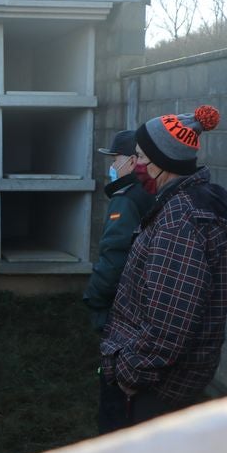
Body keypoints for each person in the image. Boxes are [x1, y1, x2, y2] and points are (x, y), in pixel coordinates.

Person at [97, 105, 227, 434]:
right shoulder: (182, 205)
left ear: (163, 162)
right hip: (161, 387)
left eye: (139, 156)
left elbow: (169, 326)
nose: (135, 166)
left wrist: (128, 375)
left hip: (150, 393)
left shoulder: (179, 223)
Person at [83, 129, 154, 332]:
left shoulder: (126, 198)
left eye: (115, 159)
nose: (112, 166)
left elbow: (115, 255)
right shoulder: (153, 190)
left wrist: (95, 297)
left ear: (132, 161)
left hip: (122, 304)